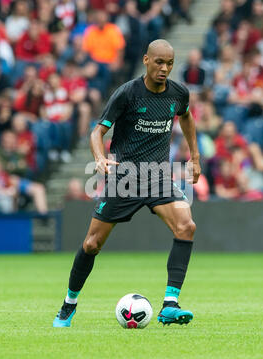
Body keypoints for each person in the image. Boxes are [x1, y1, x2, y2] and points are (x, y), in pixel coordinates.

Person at [53, 39, 201, 328]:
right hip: (125, 179)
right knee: (92, 244)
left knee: (187, 226)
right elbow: (98, 132)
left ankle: (170, 303)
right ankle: (68, 305)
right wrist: (99, 157)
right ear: (146, 60)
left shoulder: (178, 93)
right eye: (159, 62)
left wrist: (195, 156)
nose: (164, 68)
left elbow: (186, 117)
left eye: (169, 64)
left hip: (158, 176)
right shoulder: (127, 94)